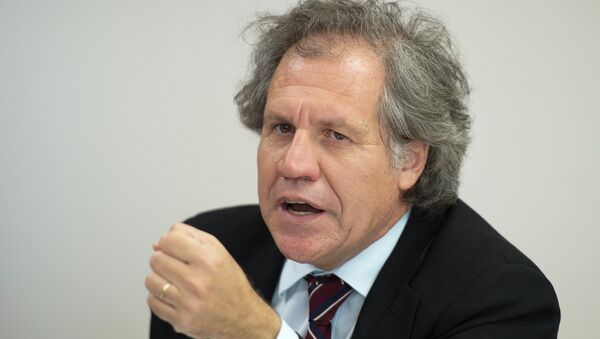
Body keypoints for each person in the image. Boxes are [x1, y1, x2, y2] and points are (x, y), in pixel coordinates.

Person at [145, 1, 561, 338]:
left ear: (409, 160)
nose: (293, 163)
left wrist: (252, 333)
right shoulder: (213, 255)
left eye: (335, 135)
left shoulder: (499, 299)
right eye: (282, 127)